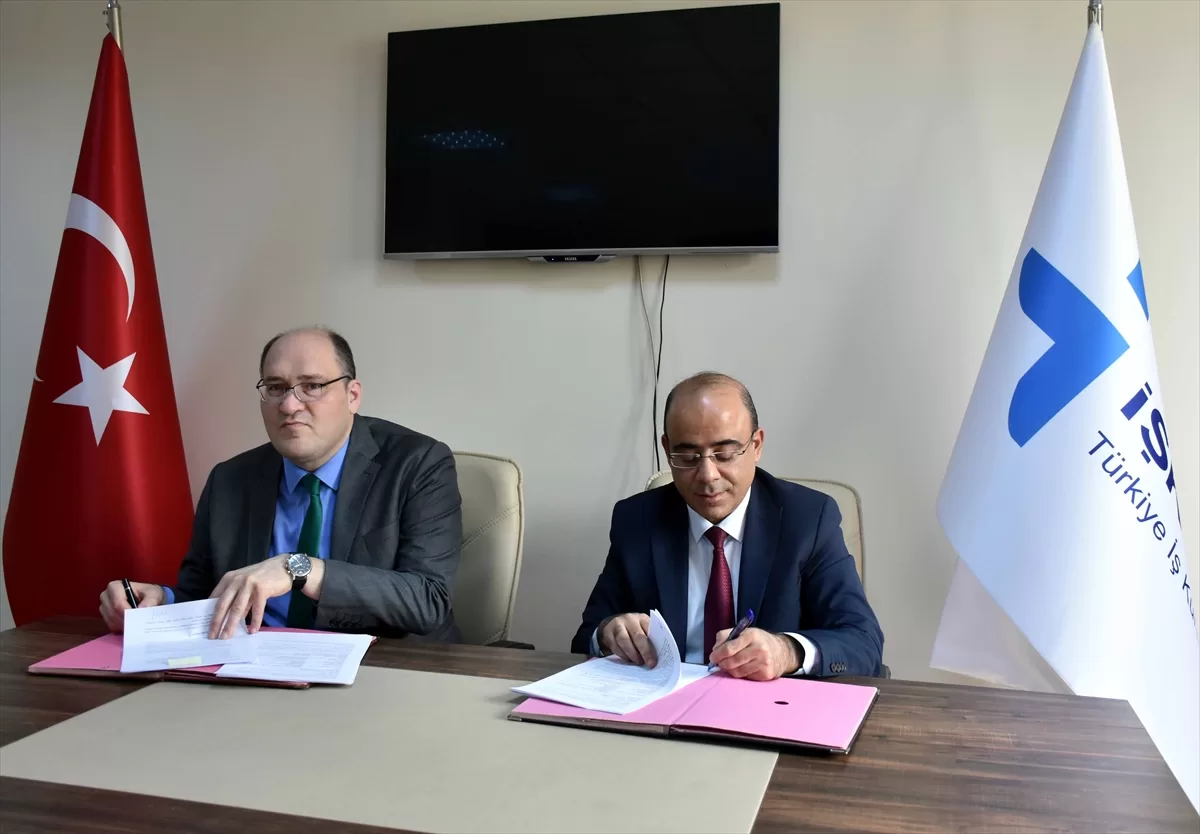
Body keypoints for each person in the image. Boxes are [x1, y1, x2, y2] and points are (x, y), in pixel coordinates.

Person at [99, 327, 463, 641]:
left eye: (313, 386)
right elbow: (205, 594)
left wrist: (297, 568)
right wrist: (160, 602)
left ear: (352, 395)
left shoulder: (418, 464)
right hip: (255, 668)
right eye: (276, 387)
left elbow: (428, 600)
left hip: (385, 669)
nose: (289, 405)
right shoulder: (230, 479)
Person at [572, 372, 884, 680]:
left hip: (767, 705)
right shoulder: (637, 520)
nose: (708, 475)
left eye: (725, 454)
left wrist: (786, 651)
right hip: (664, 702)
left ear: (756, 445)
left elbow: (863, 642)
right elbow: (586, 637)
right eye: (688, 456)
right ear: (667, 450)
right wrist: (609, 633)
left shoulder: (808, 520)